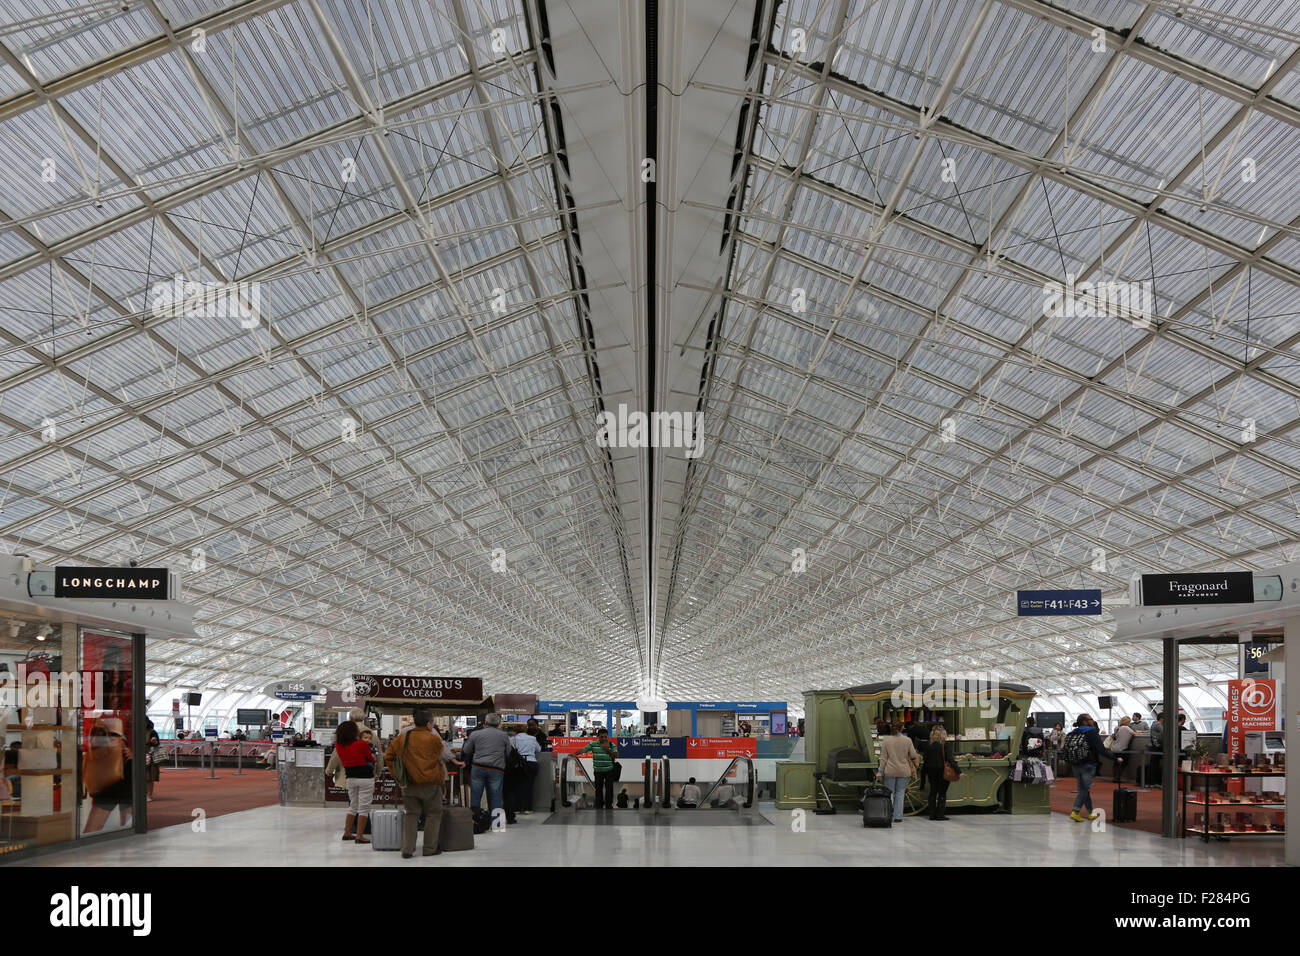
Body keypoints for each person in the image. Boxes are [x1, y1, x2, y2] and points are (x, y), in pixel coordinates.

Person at [383, 708, 447, 859]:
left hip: (409, 784)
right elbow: (440, 756)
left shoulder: (402, 738)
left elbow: (389, 757)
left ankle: (407, 849)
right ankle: (429, 848)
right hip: (431, 783)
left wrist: (399, 778)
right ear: (429, 724)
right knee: (433, 814)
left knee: (411, 815)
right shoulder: (434, 739)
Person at [83, 717, 132, 833]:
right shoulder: (108, 720)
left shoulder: (111, 719)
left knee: (127, 823)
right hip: (112, 779)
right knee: (126, 822)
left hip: (121, 775)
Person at [332, 720, 376, 844]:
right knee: (363, 808)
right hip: (365, 778)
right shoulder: (361, 744)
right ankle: (359, 836)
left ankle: (347, 832)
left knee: (353, 806)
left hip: (350, 778)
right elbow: (371, 759)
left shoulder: (338, 745)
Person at [461, 712, 509, 820]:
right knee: (496, 796)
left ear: (485, 723)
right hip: (497, 769)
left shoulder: (475, 734)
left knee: (476, 795)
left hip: (478, 767)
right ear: (498, 724)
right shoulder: (503, 735)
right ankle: (496, 824)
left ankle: (475, 822)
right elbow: (508, 752)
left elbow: (466, 750)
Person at [1065, 714, 1111, 822]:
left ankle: (1091, 813)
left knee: (1084, 789)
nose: (1093, 720)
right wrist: (1114, 758)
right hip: (1088, 764)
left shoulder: (1073, 732)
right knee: (1084, 789)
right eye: (1091, 719)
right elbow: (1101, 749)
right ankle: (1075, 812)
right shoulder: (1091, 732)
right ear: (1085, 721)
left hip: (1075, 763)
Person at [877, 721, 920, 823]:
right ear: (902, 728)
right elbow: (913, 755)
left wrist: (880, 771)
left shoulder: (886, 740)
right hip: (904, 770)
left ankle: (888, 814)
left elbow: (883, 758)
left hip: (890, 770)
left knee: (890, 793)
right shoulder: (907, 740)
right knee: (900, 793)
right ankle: (898, 817)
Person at [923, 725, 962, 821]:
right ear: (943, 734)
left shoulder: (929, 744)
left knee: (933, 792)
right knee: (942, 793)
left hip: (931, 770)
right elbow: (950, 759)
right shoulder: (945, 744)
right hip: (942, 771)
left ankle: (932, 814)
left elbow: (925, 759)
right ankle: (940, 814)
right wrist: (959, 771)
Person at [576, 728, 618, 808]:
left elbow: (616, 755)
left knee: (609, 789)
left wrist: (607, 749)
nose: (604, 738)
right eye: (602, 737)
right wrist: (574, 754)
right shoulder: (593, 744)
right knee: (598, 790)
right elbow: (583, 750)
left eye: (605, 737)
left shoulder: (611, 745)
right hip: (598, 771)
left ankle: (609, 806)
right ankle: (599, 806)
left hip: (609, 771)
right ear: (598, 737)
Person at [509, 723, 541, 814]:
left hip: (518, 763)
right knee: (529, 786)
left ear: (515, 731)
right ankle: (528, 808)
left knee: (517, 786)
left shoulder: (512, 739)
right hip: (531, 762)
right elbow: (538, 749)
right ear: (526, 730)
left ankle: (517, 808)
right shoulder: (532, 738)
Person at [1109, 716, 1135, 783]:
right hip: (1122, 748)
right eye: (1129, 722)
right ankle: (1117, 778)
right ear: (1126, 722)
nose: (1130, 723)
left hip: (1115, 748)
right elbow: (1134, 733)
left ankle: (1115, 778)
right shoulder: (1126, 727)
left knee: (1116, 764)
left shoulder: (1117, 728)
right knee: (1123, 763)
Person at [145, 719, 161, 802]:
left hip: (150, 756)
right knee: (143, 777)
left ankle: (149, 795)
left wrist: (154, 742)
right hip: (141, 755)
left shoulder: (152, 732)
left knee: (149, 777)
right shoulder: (137, 731)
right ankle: (145, 794)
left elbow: (157, 744)